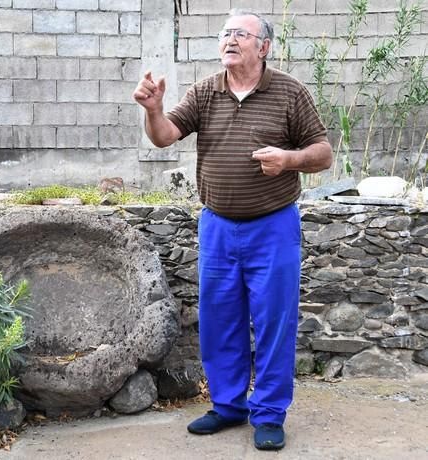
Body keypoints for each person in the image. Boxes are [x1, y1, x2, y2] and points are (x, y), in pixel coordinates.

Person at [133, 9, 332, 451]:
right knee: (220, 320)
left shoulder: (289, 92)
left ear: (263, 46)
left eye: (240, 34)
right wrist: (153, 110)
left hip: (273, 226)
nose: (229, 40)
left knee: (274, 321)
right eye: (225, 33)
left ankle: (269, 412)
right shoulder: (206, 92)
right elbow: (164, 136)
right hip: (218, 226)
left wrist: (289, 159)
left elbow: (323, 153)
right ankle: (227, 406)